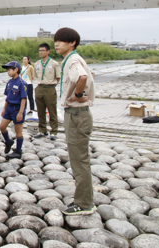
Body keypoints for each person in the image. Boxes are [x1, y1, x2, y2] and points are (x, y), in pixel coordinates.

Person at [54, 27, 96, 216]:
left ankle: (84, 203)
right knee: (79, 158)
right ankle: (83, 199)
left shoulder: (72, 60)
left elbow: (82, 77)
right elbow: (90, 75)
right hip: (77, 114)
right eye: (56, 40)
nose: (57, 44)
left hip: (77, 115)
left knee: (79, 160)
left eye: (61, 40)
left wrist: (79, 94)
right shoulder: (73, 59)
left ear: (72, 43)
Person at [0, 61, 27, 160]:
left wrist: (20, 112)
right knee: (2, 127)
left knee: (18, 130)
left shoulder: (22, 83)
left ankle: (18, 151)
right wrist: (4, 108)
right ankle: (8, 142)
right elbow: (7, 97)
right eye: (7, 70)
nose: (8, 72)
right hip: (9, 108)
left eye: (9, 70)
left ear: (16, 70)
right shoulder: (9, 82)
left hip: (17, 109)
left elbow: (23, 99)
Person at [34, 43, 61, 140]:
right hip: (39, 87)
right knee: (40, 111)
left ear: (48, 51)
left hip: (50, 88)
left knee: (52, 110)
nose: (41, 52)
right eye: (39, 50)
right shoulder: (37, 64)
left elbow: (58, 77)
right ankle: (42, 130)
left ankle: (54, 131)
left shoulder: (54, 64)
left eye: (43, 50)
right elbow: (35, 76)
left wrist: (52, 85)